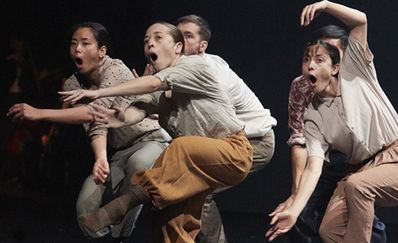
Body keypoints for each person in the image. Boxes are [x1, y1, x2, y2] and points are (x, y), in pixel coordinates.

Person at [59, 22, 253, 243]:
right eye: (146, 40)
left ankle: (123, 204)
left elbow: (152, 84)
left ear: (178, 47)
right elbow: (138, 110)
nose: (150, 42)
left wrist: (100, 92)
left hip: (233, 152)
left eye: (158, 38)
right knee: (168, 223)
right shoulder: (160, 90)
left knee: (180, 145)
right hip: (192, 168)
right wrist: (118, 118)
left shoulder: (193, 67)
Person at [266, 1, 398, 242]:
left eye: (319, 60)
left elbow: (360, 20)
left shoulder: (357, 73)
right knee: (329, 230)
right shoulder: (313, 116)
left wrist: (326, 4)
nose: (310, 65)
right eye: (307, 59)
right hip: (358, 170)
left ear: (336, 67)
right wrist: (294, 210)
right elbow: (313, 166)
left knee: (358, 187)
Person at [7, 22, 171, 241]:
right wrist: (101, 158)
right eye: (74, 44)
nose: (77, 49)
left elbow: (94, 112)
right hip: (117, 153)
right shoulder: (72, 84)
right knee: (86, 204)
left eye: (85, 44)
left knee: (138, 165)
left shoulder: (115, 68)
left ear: (101, 51)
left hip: (149, 140)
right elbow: (96, 124)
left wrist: (41, 113)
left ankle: (121, 237)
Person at [276, 25, 386, 243]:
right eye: (315, 57)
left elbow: (360, 23)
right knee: (299, 215)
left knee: (360, 218)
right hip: (323, 158)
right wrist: (297, 192)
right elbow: (299, 138)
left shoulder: (357, 81)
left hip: (362, 159)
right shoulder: (302, 86)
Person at [175, 14, 277, 243]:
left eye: (187, 36)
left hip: (256, 141)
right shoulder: (187, 68)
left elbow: (214, 121)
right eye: (176, 34)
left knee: (200, 191)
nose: (178, 40)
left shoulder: (208, 73)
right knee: (188, 190)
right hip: (230, 139)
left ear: (202, 46)